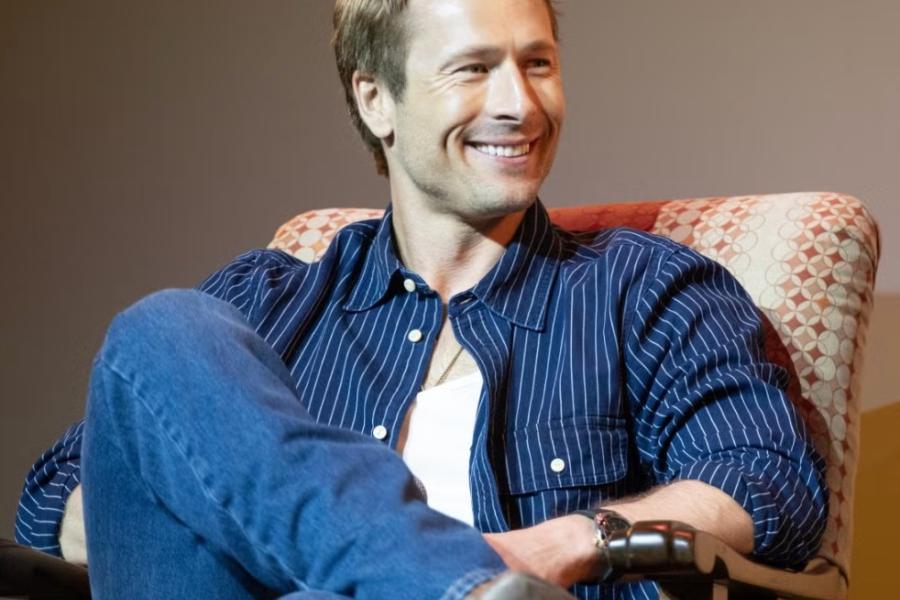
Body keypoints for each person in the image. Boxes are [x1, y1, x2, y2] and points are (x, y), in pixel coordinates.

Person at [15, 0, 828, 598]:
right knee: (162, 326)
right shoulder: (265, 304)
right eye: (474, 68)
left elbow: (763, 479)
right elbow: (56, 495)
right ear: (377, 101)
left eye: (537, 62)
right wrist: (301, 532)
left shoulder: (646, 289)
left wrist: (564, 544)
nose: (520, 102)